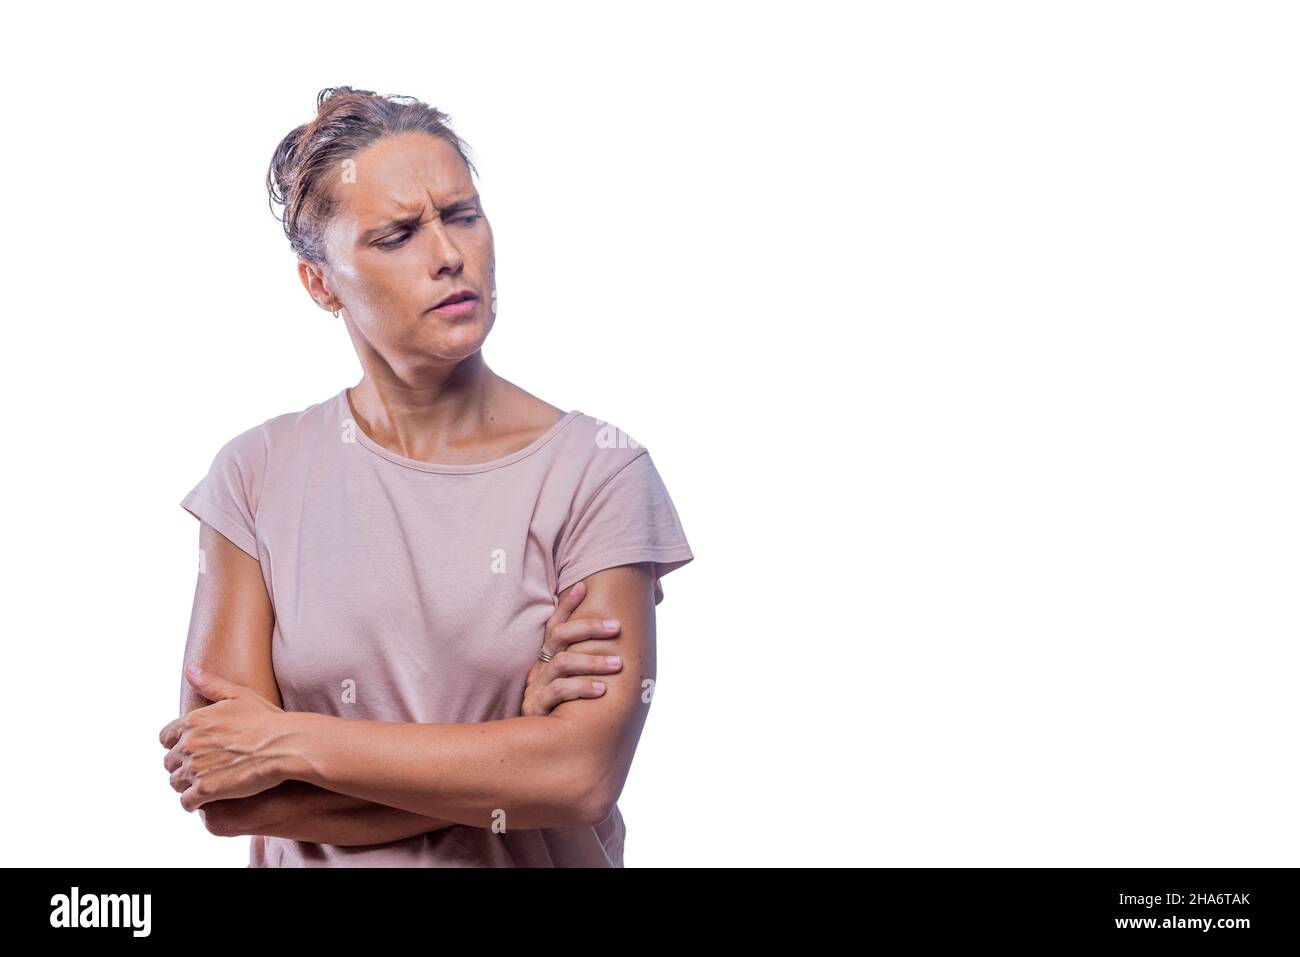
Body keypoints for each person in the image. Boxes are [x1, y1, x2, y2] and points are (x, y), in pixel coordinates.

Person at [161, 86, 694, 867]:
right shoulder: (254, 477)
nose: (449, 253)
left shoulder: (599, 471)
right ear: (320, 282)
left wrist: (291, 740)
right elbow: (229, 791)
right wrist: (507, 751)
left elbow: (579, 776)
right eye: (398, 233)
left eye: (463, 214)